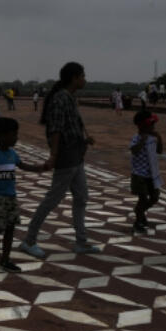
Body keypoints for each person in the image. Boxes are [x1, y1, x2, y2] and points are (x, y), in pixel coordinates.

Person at [19, 62, 100, 257]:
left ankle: (81, 241)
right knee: (53, 199)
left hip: (76, 155)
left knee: (81, 197)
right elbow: (55, 129)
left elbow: (69, 127)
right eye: (82, 76)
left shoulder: (70, 97)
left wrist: (84, 139)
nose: (85, 79)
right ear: (74, 77)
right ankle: (29, 240)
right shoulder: (60, 99)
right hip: (66, 155)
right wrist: (54, 155)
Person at [0, 117, 48, 271]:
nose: (16, 138)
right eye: (13, 135)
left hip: (11, 196)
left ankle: (5, 260)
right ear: (1, 136)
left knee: (11, 227)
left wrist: (40, 168)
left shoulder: (13, 154)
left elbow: (23, 166)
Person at [129, 109, 163, 233]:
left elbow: (159, 151)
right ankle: (138, 221)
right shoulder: (137, 138)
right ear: (143, 126)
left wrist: (159, 138)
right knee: (142, 198)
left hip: (152, 173)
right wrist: (142, 141)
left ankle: (139, 211)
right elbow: (134, 150)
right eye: (151, 125)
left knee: (155, 197)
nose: (153, 127)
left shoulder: (153, 138)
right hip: (139, 174)